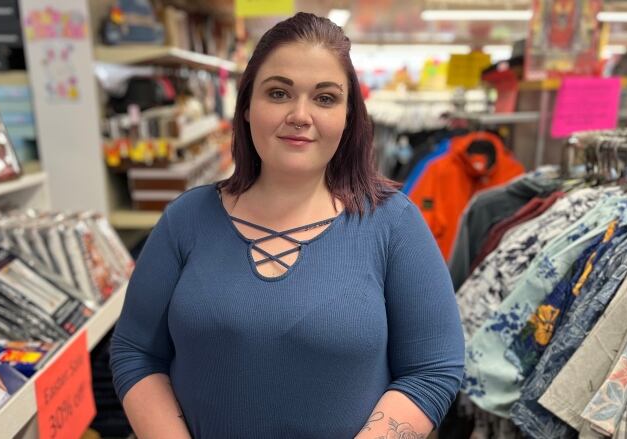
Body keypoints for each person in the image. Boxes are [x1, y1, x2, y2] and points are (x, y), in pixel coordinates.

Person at [110, 12, 464, 439]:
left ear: (350, 117)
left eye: (325, 98)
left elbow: (433, 369)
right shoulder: (185, 220)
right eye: (278, 93)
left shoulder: (393, 224)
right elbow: (135, 352)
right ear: (245, 108)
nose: (300, 114)